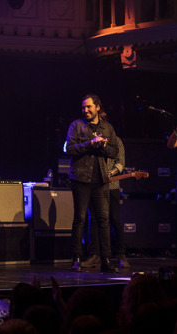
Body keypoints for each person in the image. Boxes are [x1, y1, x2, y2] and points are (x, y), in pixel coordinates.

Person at [65, 94, 118, 273]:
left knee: (103, 220)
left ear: (97, 107)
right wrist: (90, 143)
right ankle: (76, 259)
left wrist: (103, 146)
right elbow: (69, 149)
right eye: (83, 108)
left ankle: (106, 260)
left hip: (101, 180)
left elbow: (114, 151)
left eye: (88, 107)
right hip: (81, 179)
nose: (85, 110)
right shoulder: (76, 125)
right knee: (79, 219)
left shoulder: (107, 128)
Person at [83, 135, 130, 269]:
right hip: (93, 185)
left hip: (111, 186)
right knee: (93, 219)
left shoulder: (116, 140)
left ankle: (121, 255)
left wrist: (110, 173)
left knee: (114, 219)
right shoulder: (90, 140)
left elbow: (120, 162)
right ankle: (95, 255)